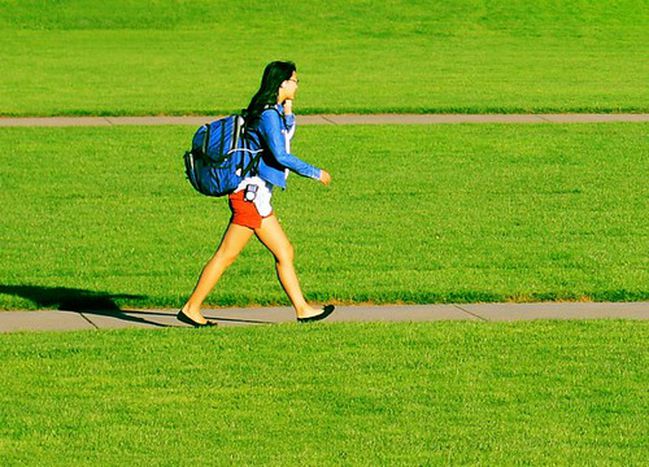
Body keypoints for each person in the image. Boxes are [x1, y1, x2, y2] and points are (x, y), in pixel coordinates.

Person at [177, 61, 335, 327]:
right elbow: (280, 153)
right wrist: (314, 172)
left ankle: (303, 309)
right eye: (294, 80)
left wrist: (288, 108)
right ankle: (191, 308)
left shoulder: (271, 111)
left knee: (284, 251)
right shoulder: (267, 115)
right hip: (249, 198)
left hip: (258, 198)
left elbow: (284, 134)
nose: (297, 84)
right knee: (226, 255)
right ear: (282, 83)